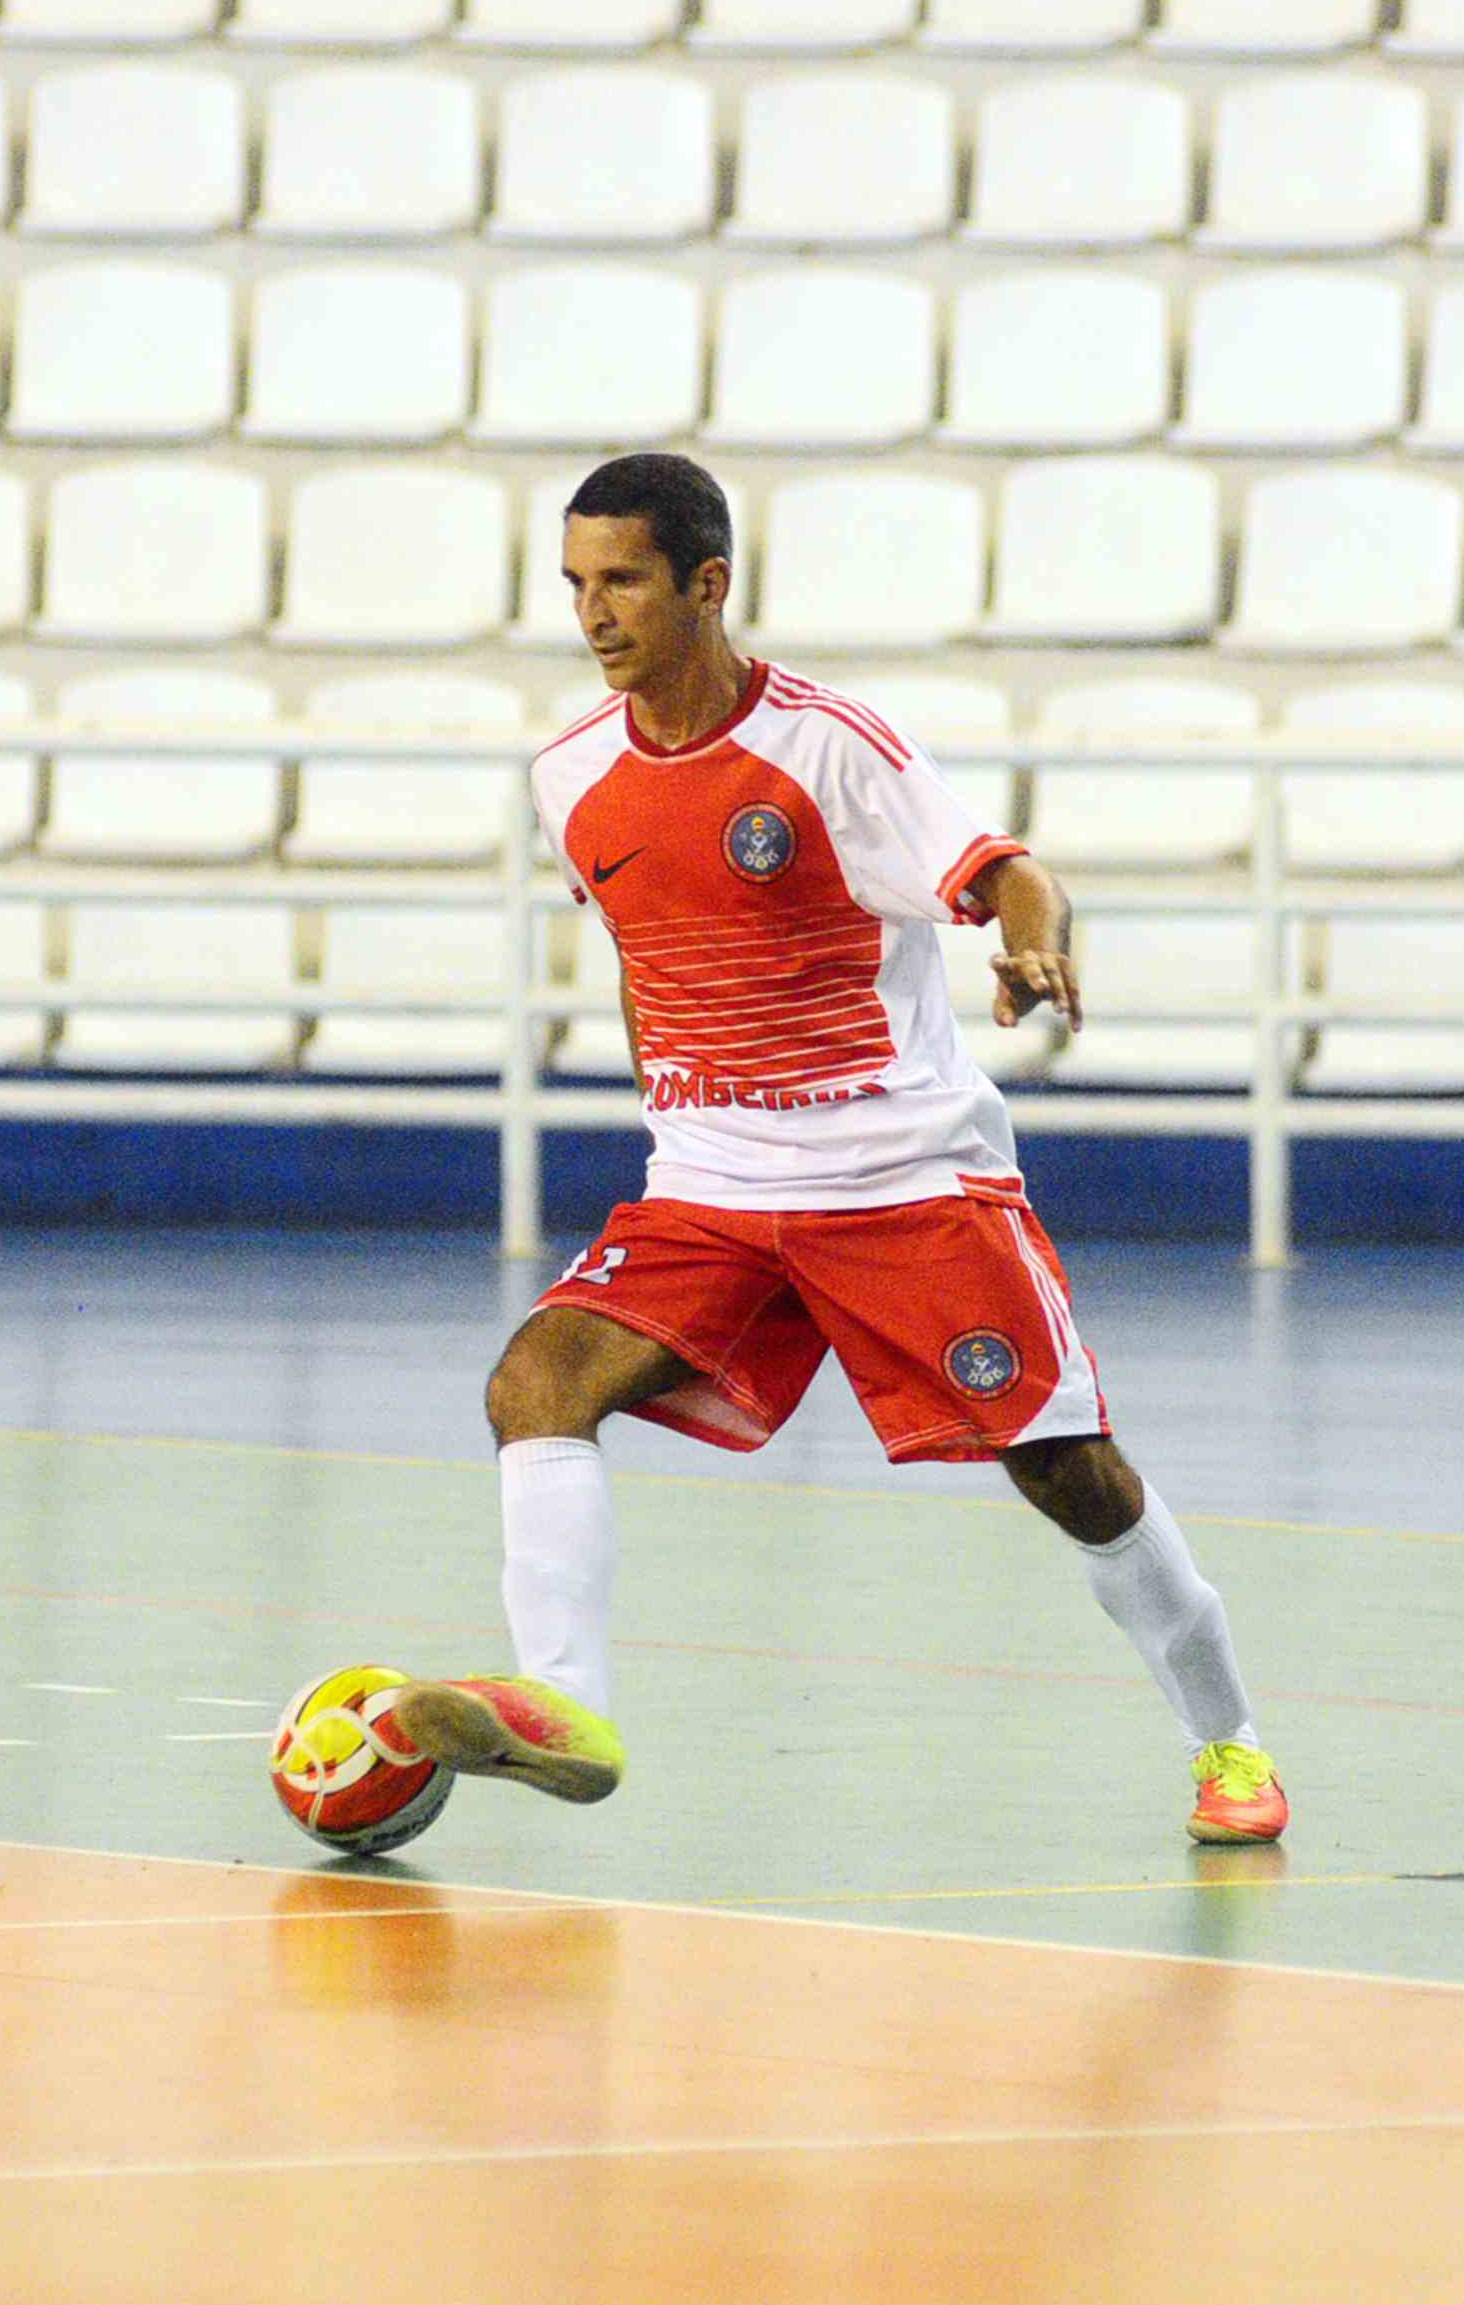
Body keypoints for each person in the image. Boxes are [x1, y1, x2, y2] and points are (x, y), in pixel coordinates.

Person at [376, 453, 1285, 1846]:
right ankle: (562, 1704)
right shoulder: (570, 777)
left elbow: (1003, 870)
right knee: (535, 1382)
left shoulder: (825, 747)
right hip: (711, 1184)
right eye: (573, 584)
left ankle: (1227, 1745)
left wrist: (1032, 940)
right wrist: (672, 1122)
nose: (593, 612)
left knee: (1066, 1470)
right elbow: (642, 949)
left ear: (706, 582)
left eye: (621, 579)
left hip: (900, 1177)